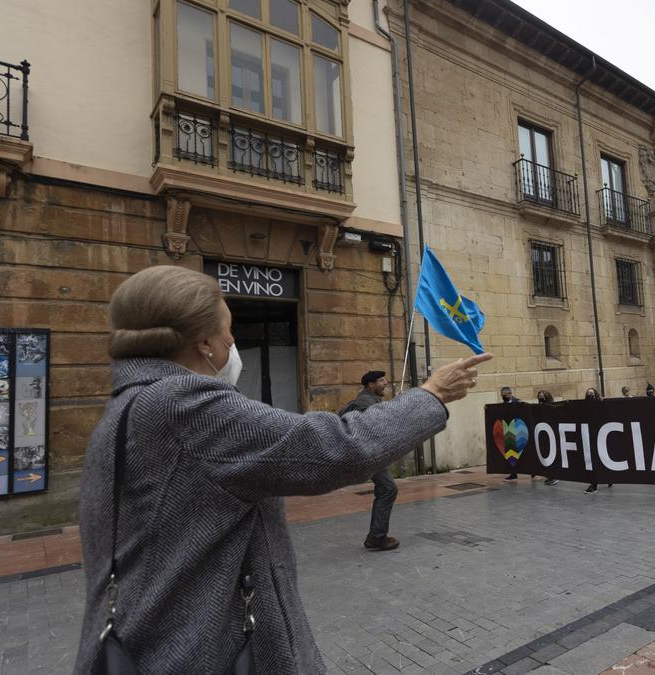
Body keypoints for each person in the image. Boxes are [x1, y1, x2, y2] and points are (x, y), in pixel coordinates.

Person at [74, 266, 491, 673]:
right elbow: (336, 449)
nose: (232, 341)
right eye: (227, 329)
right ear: (203, 343)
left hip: (145, 638)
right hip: (195, 650)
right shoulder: (182, 403)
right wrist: (431, 395)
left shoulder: (127, 405)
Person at [338, 371, 403, 551]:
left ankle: (376, 536)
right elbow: (371, 424)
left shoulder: (370, 399)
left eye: (384, 379)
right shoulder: (365, 402)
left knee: (386, 489)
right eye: (381, 381)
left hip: (370, 453)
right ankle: (377, 537)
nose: (385, 383)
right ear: (370, 385)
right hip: (368, 454)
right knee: (388, 489)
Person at [583, 388, 612, 494]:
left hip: (600, 436)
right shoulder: (583, 406)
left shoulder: (601, 405)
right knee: (593, 460)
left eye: (591, 392)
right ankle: (594, 484)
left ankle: (607, 478)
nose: (589, 394)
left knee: (601, 458)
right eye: (588, 393)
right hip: (588, 437)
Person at [535, 390, 559, 485]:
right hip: (543, 434)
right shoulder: (538, 407)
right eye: (539, 395)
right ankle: (550, 475)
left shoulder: (551, 406)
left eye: (542, 395)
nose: (541, 397)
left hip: (551, 434)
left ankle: (553, 476)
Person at [500, 386, 521, 480]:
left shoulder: (518, 402)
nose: (503, 397)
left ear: (509, 394)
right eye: (502, 395)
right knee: (511, 453)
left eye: (504, 395)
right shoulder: (503, 404)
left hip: (519, 431)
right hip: (509, 432)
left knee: (523, 453)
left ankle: (532, 471)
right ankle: (513, 473)